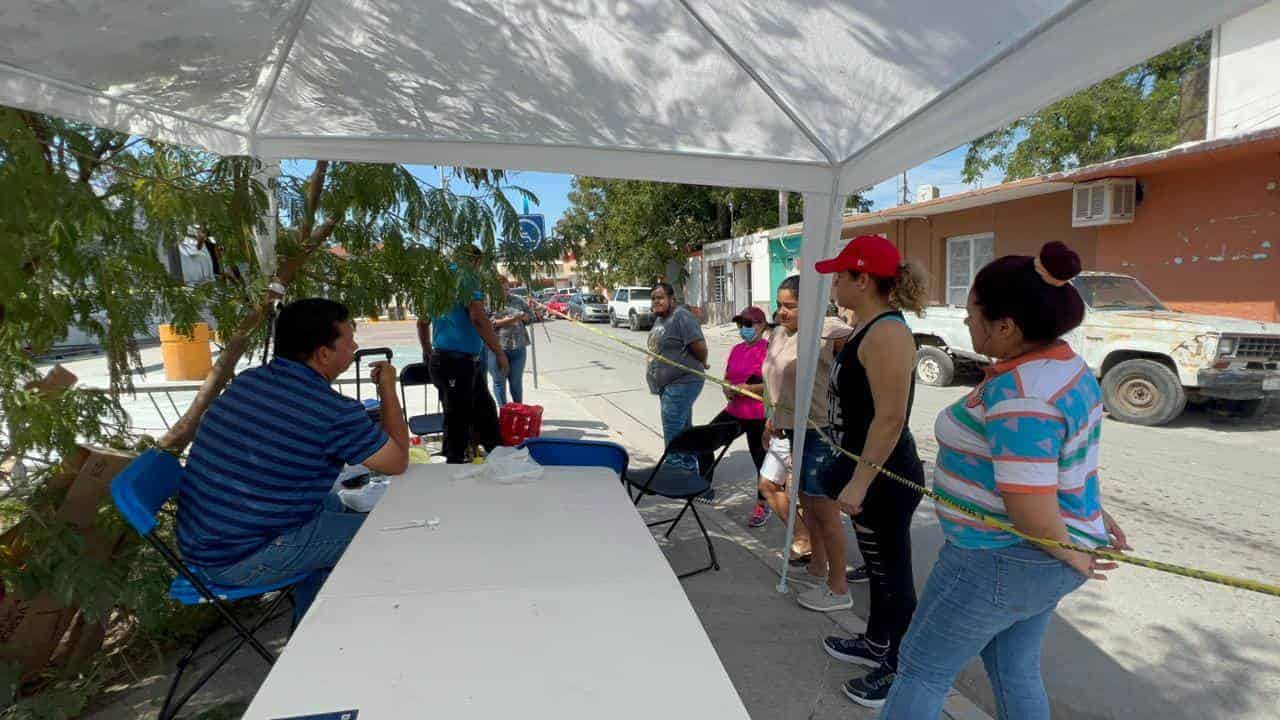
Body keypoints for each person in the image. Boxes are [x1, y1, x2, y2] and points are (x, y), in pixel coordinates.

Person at [881, 242, 1130, 719]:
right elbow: (1063, 457)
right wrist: (1088, 518)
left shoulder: (1025, 395)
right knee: (1012, 665)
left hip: (999, 558)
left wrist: (1074, 552)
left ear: (1006, 326)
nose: (967, 321)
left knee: (921, 667)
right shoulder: (1060, 366)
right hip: (1029, 558)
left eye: (972, 312)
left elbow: (1030, 509)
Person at [178, 299, 410, 623]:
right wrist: (387, 388)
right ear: (323, 354)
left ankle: (313, 621)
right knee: (388, 535)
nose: (356, 346)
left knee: (340, 504)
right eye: (349, 339)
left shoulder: (249, 381)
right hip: (241, 556)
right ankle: (338, 639)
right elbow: (398, 461)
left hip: (206, 541)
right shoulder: (330, 410)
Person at [811, 235, 929, 707]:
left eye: (841, 275)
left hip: (884, 478)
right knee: (878, 570)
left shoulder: (888, 333)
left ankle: (901, 667)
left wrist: (859, 482)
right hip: (865, 474)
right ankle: (877, 643)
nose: (835, 282)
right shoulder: (865, 327)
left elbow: (890, 418)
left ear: (864, 279)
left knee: (893, 572)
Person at [759, 275, 852, 575]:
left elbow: (861, 346)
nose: (782, 312)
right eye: (779, 305)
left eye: (791, 306)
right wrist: (771, 419)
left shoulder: (829, 330)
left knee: (822, 508)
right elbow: (776, 384)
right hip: (787, 428)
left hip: (819, 430)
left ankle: (833, 579)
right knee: (803, 501)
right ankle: (816, 562)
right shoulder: (778, 334)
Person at [418, 246, 507, 463]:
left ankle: (500, 456)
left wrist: (428, 349)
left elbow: (422, 321)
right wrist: (499, 351)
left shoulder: (437, 281)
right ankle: (454, 466)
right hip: (456, 362)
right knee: (458, 419)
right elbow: (477, 317)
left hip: (454, 360)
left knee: (484, 410)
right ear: (475, 261)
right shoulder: (466, 277)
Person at [699, 306, 771, 526]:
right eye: (740, 324)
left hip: (758, 415)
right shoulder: (737, 349)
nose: (743, 329)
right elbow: (728, 377)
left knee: (761, 461)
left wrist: (749, 390)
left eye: (748, 324)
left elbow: (773, 384)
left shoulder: (769, 350)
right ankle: (704, 486)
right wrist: (728, 389)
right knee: (704, 441)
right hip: (735, 411)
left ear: (762, 326)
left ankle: (763, 505)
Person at [646, 282, 709, 475]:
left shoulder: (681, 316)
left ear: (672, 299)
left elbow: (699, 346)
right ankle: (688, 471)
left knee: (673, 430)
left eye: (660, 297)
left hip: (683, 382)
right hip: (667, 385)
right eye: (653, 298)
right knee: (683, 429)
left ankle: (674, 472)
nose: (656, 301)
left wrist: (702, 362)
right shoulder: (660, 320)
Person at [487, 294, 532, 405]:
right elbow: (488, 324)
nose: (506, 291)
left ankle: (518, 411)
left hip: (518, 347)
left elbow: (530, 317)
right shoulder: (487, 302)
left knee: (516, 383)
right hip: (497, 348)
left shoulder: (518, 300)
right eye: (503, 289)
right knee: (499, 382)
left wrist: (525, 316)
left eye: (507, 289)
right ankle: (504, 411)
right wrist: (512, 319)